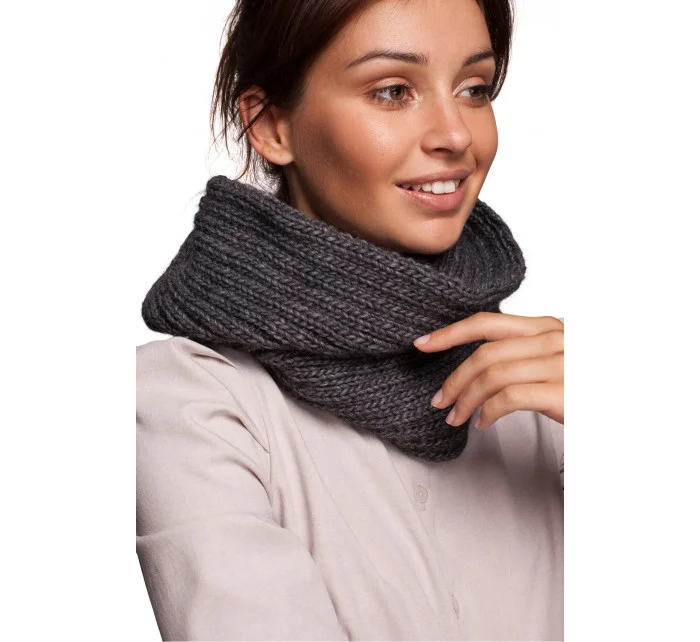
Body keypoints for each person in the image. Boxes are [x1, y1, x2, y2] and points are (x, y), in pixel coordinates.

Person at [136, 0, 564, 639]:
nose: (455, 135)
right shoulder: (189, 401)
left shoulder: (541, 385)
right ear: (270, 126)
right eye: (393, 91)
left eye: (474, 89)